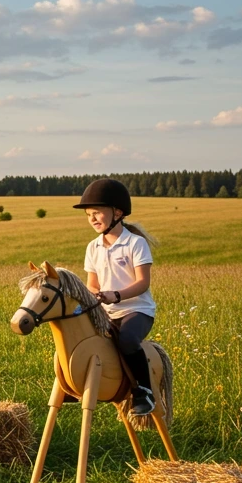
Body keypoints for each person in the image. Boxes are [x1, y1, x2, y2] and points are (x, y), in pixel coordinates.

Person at [76, 178, 158, 415]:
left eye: (97, 213)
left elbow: (143, 283)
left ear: (118, 213)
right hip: (107, 312)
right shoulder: (93, 247)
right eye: (88, 214)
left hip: (137, 310)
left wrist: (117, 295)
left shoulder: (135, 243)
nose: (92, 219)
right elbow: (92, 284)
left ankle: (144, 392)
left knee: (127, 341)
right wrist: (94, 296)